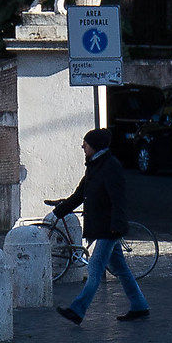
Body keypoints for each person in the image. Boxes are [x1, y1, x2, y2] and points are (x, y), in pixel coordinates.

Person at [49, 129, 149, 324]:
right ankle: (139, 306)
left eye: (85, 144)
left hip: (108, 229)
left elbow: (118, 199)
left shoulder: (110, 166)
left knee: (94, 269)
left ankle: (77, 311)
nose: (82, 147)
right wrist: (58, 212)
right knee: (121, 269)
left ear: (95, 146)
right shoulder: (94, 166)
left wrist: (117, 226)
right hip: (104, 227)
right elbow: (79, 195)